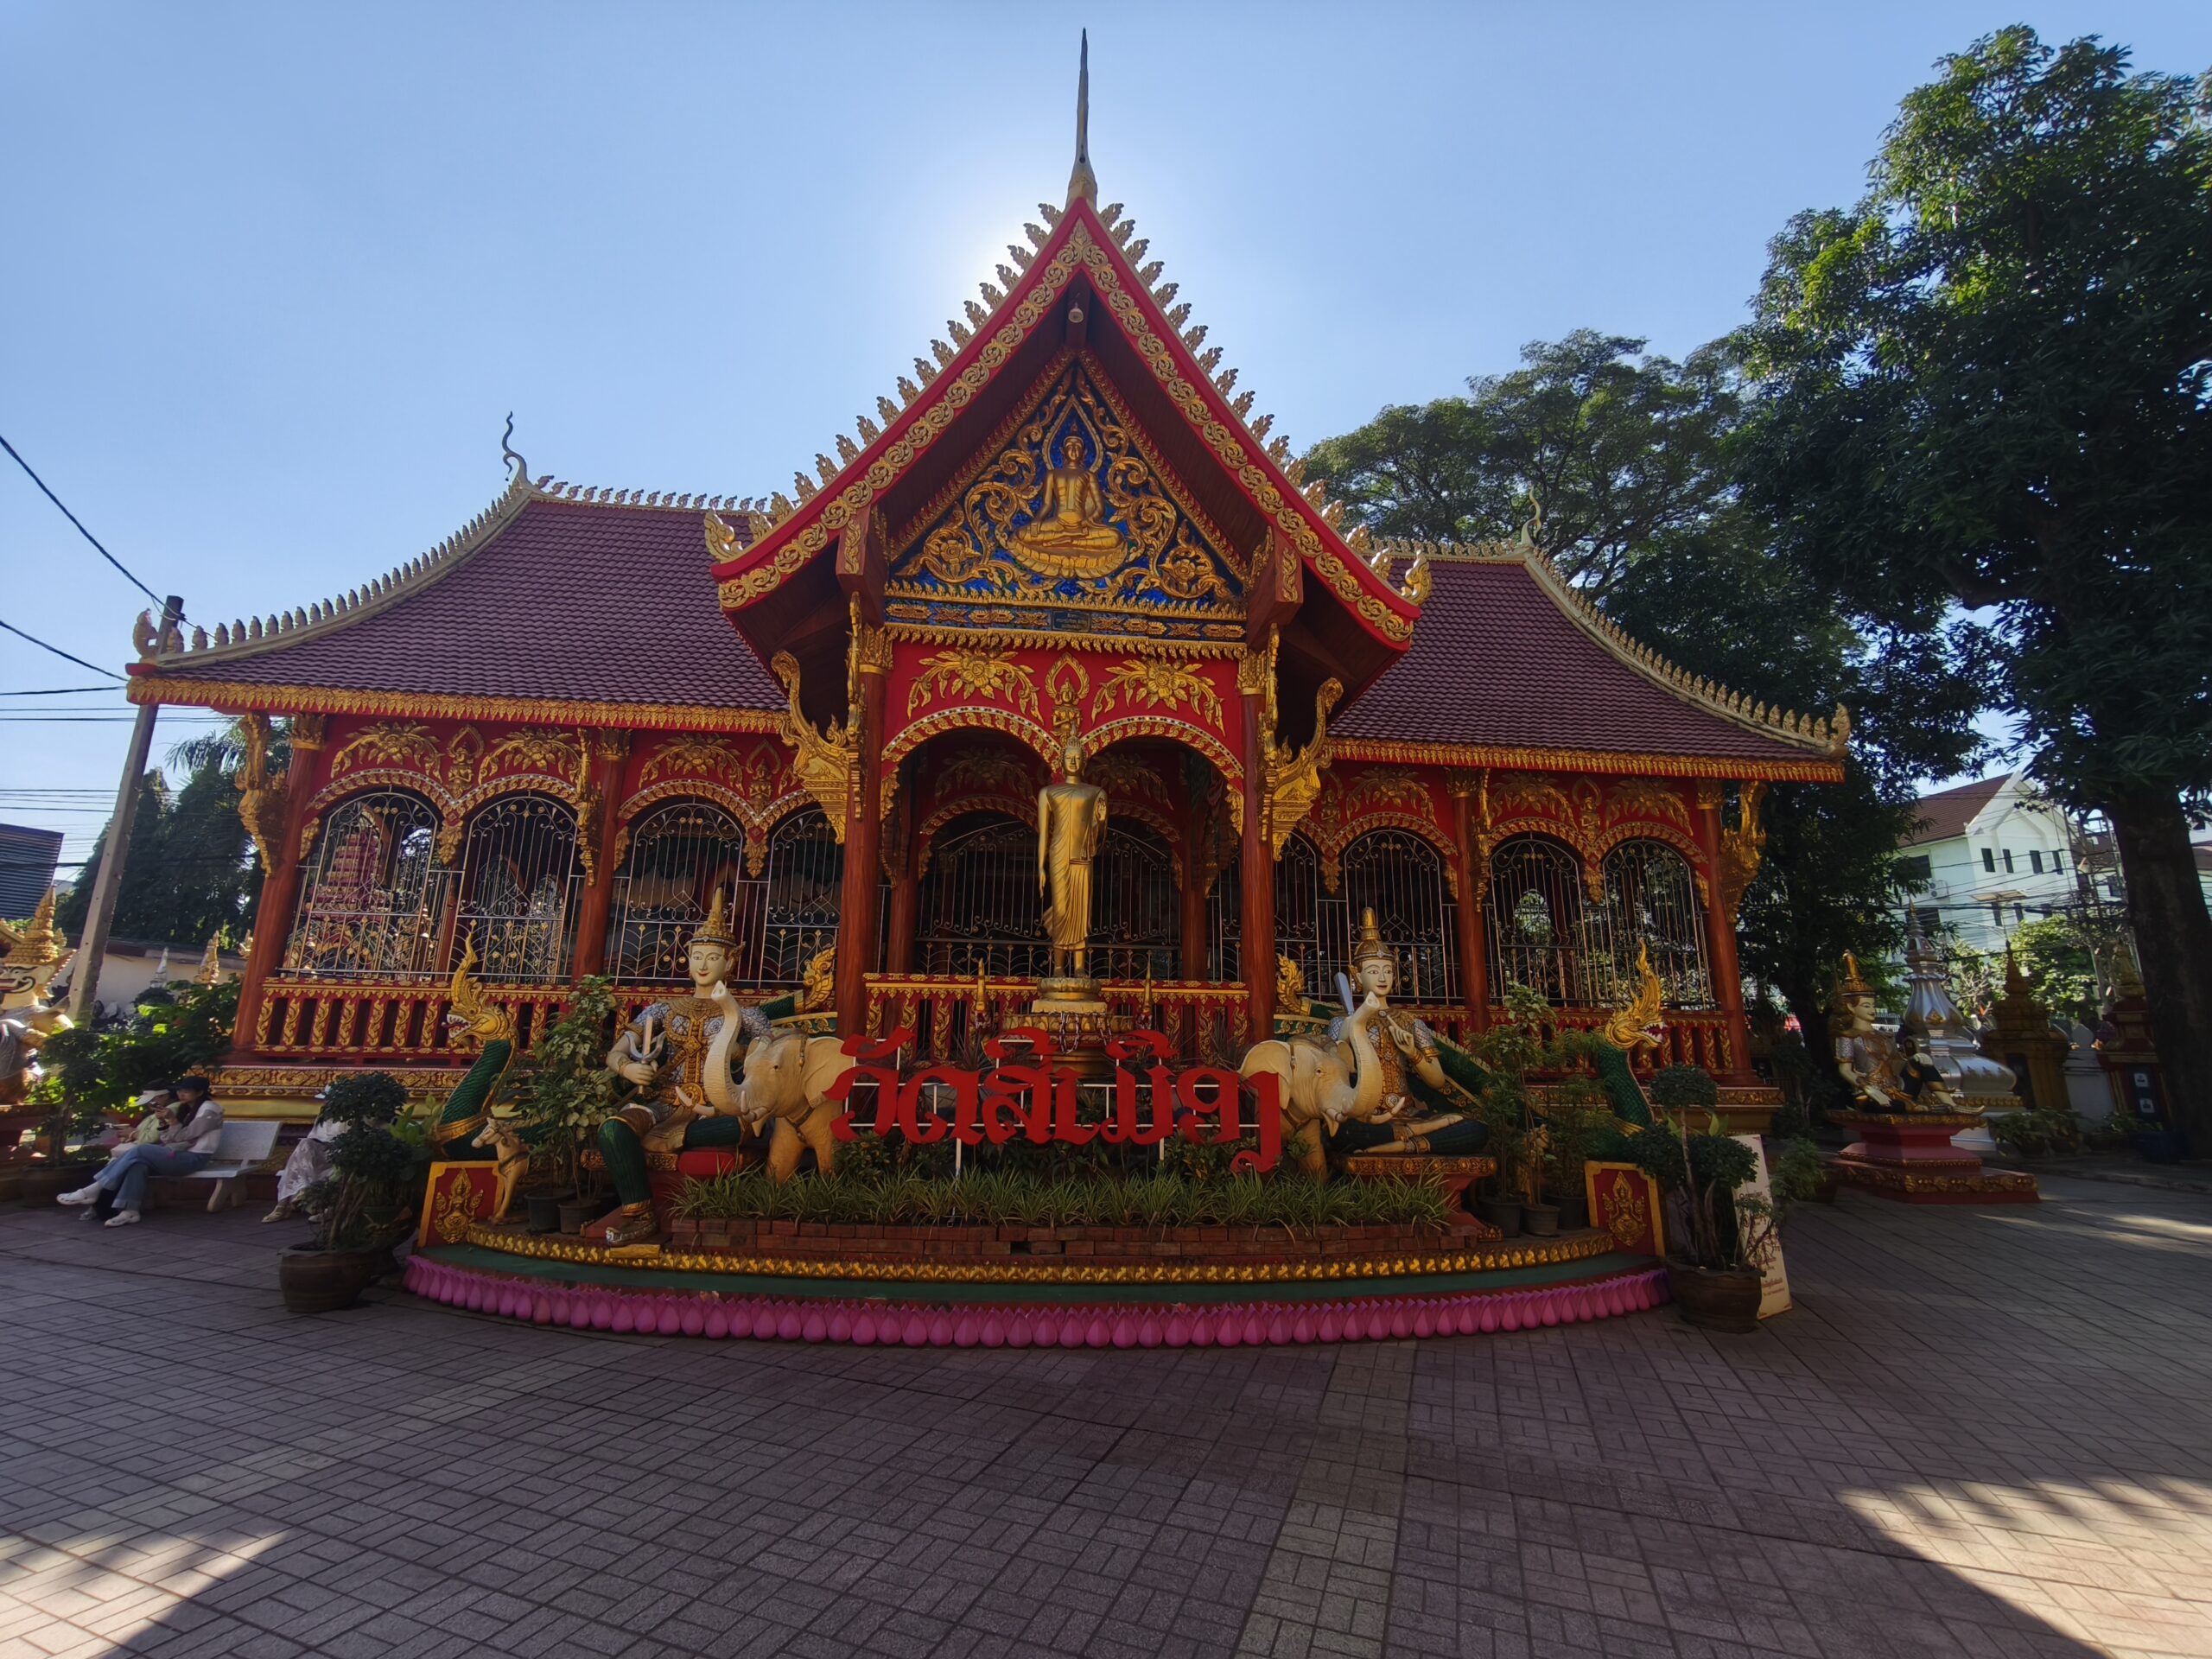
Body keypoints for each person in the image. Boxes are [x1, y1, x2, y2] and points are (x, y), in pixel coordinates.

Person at [58, 1076, 226, 1227]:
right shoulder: (184, 1109)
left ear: (200, 1093)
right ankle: (130, 1211)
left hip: (194, 1158)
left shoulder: (210, 1109)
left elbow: (187, 1135)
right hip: (176, 1154)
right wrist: (165, 1121)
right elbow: (169, 1138)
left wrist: (172, 1120)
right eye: (180, 1090)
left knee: (141, 1150)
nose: (181, 1094)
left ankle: (95, 1188)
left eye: (187, 1091)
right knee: (137, 1164)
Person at [264, 1090, 346, 1223]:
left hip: (339, 1157)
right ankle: (283, 1204)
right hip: (320, 1154)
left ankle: (326, 1207)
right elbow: (314, 1138)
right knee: (304, 1147)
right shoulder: (324, 1115)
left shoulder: (352, 1117)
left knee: (305, 1158)